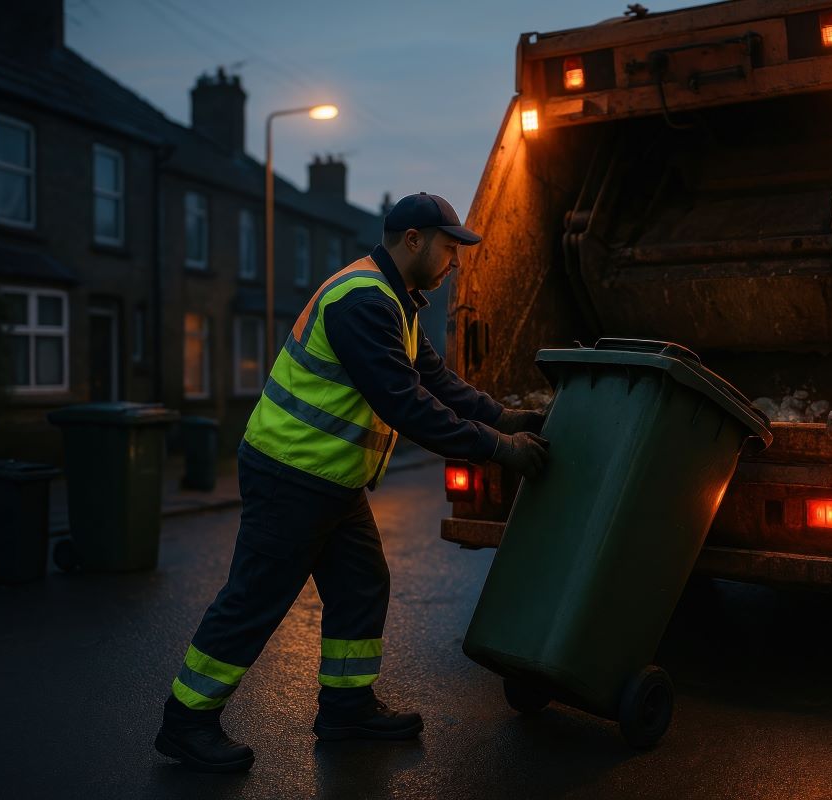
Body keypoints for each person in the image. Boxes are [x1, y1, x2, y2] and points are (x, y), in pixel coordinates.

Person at [154, 192, 551, 773]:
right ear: (412, 240)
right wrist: (498, 449)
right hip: (292, 471)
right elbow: (405, 404)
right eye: (448, 247)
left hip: (328, 479)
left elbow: (435, 379)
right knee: (256, 598)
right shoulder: (361, 299)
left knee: (362, 585)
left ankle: (346, 709)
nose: (454, 261)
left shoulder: (397, 301)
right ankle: (186, 722)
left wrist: (505, 418)